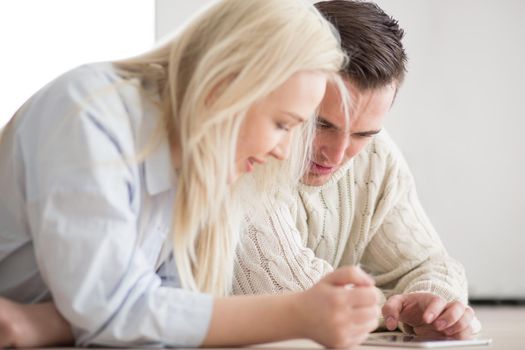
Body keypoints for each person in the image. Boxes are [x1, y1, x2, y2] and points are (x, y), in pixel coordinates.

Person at [0, 0, 381, 348]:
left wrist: (49, 323)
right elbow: (117, 311)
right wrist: (298, 315)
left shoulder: (190, 161)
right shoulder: (88, 116)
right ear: (225, 86)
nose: (282, 151)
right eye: (283, 124)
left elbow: (160, 310)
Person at [233, 0, 480, 341]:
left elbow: (431, 263)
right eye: (321, 124)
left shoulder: (376, 157)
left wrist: (433, 306)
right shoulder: (250, 149)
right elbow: (284, 287)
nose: (337, 154)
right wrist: (397, 310)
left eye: (363, 134)